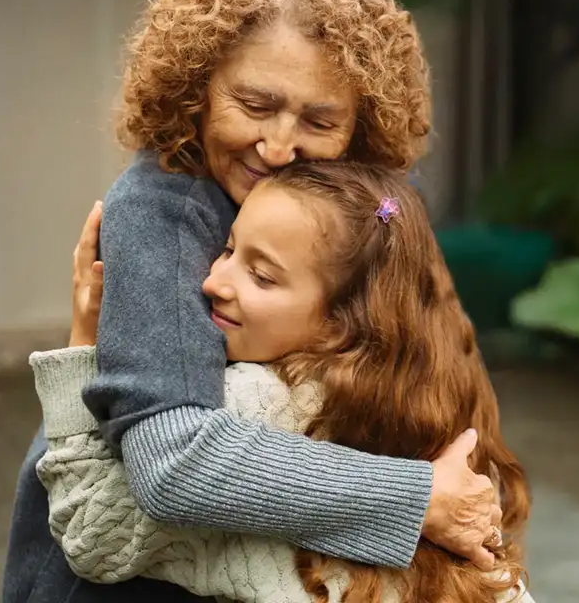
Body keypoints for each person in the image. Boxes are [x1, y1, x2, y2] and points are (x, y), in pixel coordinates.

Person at [3, 0, 501, 603]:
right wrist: (418, 498)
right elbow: (172, 463)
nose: (278, 145)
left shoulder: (347, 210)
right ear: (197, 86)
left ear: (360, 124)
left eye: (318, 119)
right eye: (255, 104)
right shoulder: (163, 211)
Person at [32, 160, 532, 603]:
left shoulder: (254, 403)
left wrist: (81, 346)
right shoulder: (416, 404)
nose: (212, 282)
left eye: (263, 276)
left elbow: (94, 536)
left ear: (341, 321)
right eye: (228, 250)